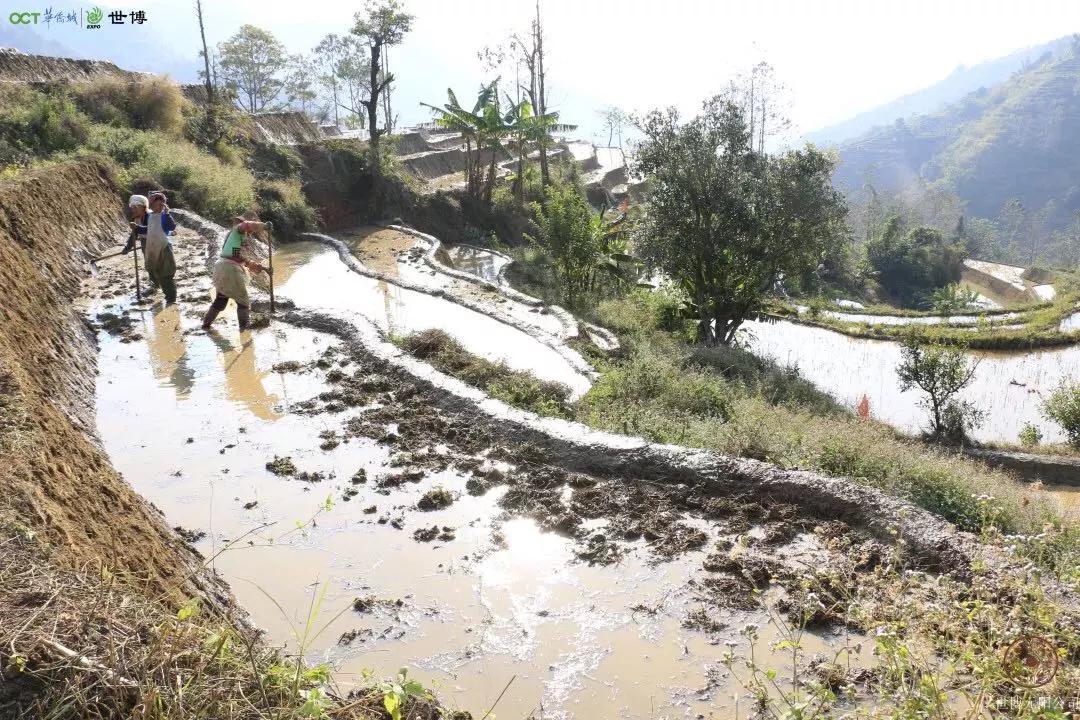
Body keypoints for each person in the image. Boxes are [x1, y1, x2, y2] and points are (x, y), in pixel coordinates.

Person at [202, 215, 273, 330]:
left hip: (222, 268)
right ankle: (244, 329)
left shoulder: (236, 241)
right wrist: (263, 226)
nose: (251, 231)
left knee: (221, 300)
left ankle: (206, 324)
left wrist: (264, 269)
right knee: (243, 302)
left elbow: (243, 261)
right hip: (230, 270)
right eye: (250, 228)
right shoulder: (238, 230)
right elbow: (246, 225)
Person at [122, 191, 178, 304]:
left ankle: (171, 300)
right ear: (151, 205)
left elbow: (171, 226)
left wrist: (167, 214)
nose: (158, 206)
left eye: (161, 204)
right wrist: (137, 227)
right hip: (153, 249)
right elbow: (147, 229)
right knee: (158, 274)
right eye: (154, 205)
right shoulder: (151, 217)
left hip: (164, 249)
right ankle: (166, 295)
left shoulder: (163, 216)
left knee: (167, 275)